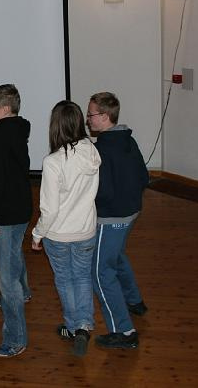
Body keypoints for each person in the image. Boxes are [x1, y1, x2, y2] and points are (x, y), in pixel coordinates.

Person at [31, 101, 100, 356]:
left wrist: (37, 234)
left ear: (56, 126)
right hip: (85, 231)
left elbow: (49, 209)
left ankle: (72, 327)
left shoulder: (53, 162)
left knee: (64, 279)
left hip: (58, 234)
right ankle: (84, 325)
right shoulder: (92, 152)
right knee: (82, 277)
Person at [86, 92, 150, 349]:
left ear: (104, 116)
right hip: (131, 212)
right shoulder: (128, 140)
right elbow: (144, 177)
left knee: (100, 272)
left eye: (90, 114)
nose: (88, 119)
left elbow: (103, 192)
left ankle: (124, 332)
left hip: (110, 217)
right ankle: (134, 301)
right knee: (117, 255)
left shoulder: (101, 149)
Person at [0, 84, 33, 358]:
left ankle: (15, 340)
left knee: (6, 281)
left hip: (6, 211)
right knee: (14, 251)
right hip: (22, 206)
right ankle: (24, 290)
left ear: (4, 109)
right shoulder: (19, 129)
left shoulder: (0, 135)